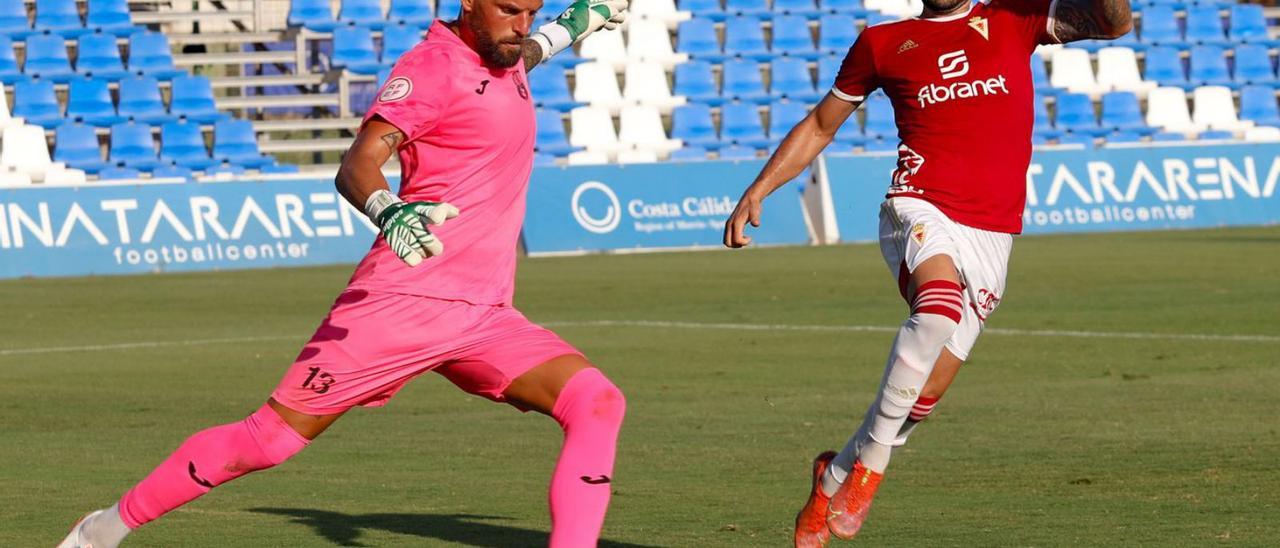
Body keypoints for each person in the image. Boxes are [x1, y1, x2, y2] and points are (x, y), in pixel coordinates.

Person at [59, 0, 629, 546]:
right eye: (509, 11)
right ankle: (101, 530)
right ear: (469, 2)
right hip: (401, 301)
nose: (521, 25)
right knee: (268, 442)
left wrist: (573, 23)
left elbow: (516, 60)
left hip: (484, 316)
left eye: (531, 12)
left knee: (597, 402)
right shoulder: (430, 68)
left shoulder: (503, 54)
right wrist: (391, 210)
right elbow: (358, 162)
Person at [722, 0, 1131, 545]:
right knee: (938, 308)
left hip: (992, 233)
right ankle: (870, 474)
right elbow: (822, 124)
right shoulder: (883, 43)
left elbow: (1115, 23)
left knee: (920, 399)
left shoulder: (1017, 15)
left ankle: (835, 474)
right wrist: (760, 187)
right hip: (919, 206)